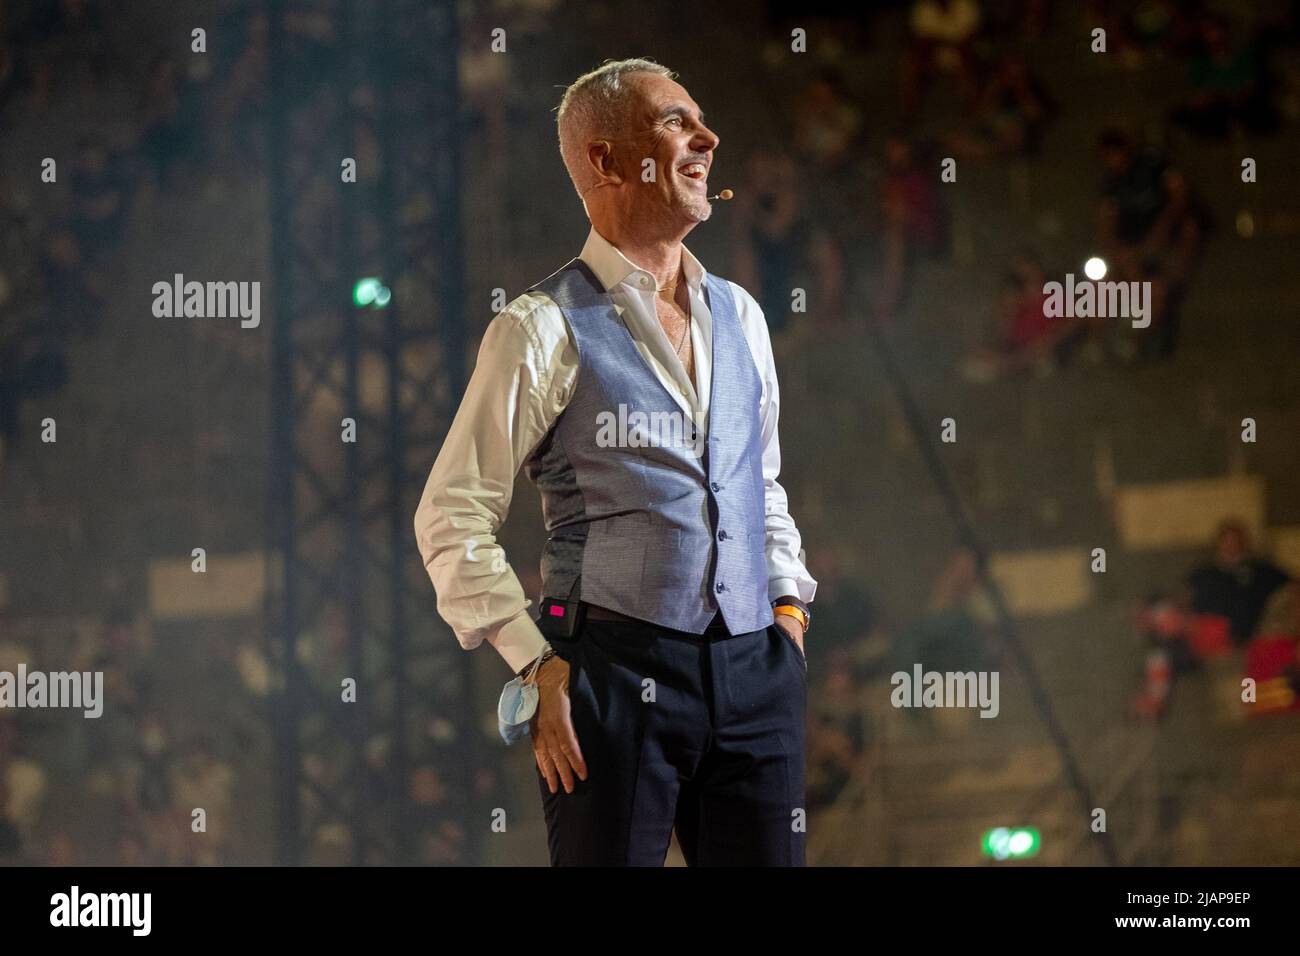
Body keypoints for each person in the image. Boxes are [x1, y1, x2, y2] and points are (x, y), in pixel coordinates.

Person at [414, 59, 816, 866]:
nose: (706, 138)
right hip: (608, 672)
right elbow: (451, 513)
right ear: (603, 161)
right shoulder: (538, 326)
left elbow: (758, 488)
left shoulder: (740, 313)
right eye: (674, 122)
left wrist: (787, 617)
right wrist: (537, 665)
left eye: (699, 120)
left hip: (755, 666)